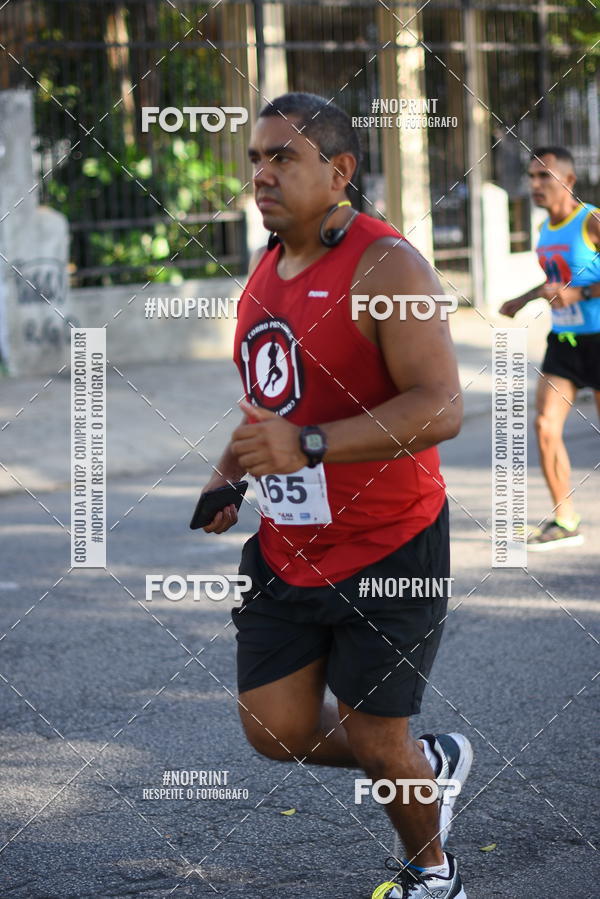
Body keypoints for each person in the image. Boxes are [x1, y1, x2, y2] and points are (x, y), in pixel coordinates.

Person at [201, 92, 471, 899]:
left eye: (282, 157)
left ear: (339, 170)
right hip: (291, 544)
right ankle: (430, 764)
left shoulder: (390, 265)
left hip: (389, 540)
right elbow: (270, 397)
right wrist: (230, 472)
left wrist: (308, 445)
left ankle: (435, 874)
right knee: (273, 729)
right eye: (255, 158)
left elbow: (442, 405)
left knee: (378, 736)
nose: (261, 174)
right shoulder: (268, 263)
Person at [500, 147, 600, 550]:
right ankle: (565, 520)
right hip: (564, 341)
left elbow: (571, 288)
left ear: (569, 181)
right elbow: (555, 282)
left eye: (545, 176)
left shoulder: (590, 220)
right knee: (545, 426)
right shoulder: (544, 230)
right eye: (531, 176)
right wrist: (522, 299)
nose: (536, 184)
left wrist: (582, 293)